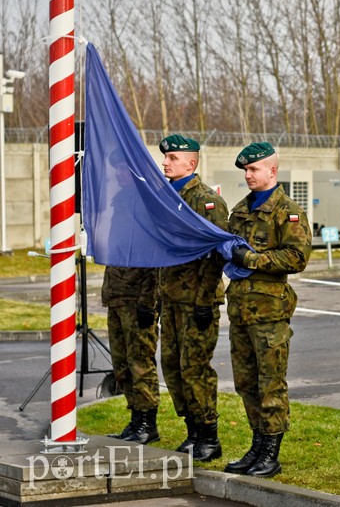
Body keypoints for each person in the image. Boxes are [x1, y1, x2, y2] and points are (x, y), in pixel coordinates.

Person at [223, 142, 312, 477]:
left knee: (270, 384)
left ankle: (271, 453)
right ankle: (257, 446)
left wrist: (251, 259)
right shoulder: (241, 210)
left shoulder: (286, 211)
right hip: (240, 310)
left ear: (272, 171)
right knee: (246, 383)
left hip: (270, 312)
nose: (248, 175)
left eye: (253, 169)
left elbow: (297, 257)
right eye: (245, 170)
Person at [157, 134, 228, 461]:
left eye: (172, 158)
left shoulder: (204, 200)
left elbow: (215, 254)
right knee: (171, 365)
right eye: (166, 157)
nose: (165, 162)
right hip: (171, 297)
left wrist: (204, 300)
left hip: (197, 301)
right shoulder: (164, 197)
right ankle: (192, 430)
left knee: (194, 368)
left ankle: (209, 436)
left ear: (191, 163)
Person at [102, 266, 160, 444]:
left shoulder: (144, 236)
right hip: (115, 298)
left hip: (136, 301)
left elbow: (153, 266)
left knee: (140, 363)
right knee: (121, 365)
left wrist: (148, 302)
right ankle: (136, 419)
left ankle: (148, 423)